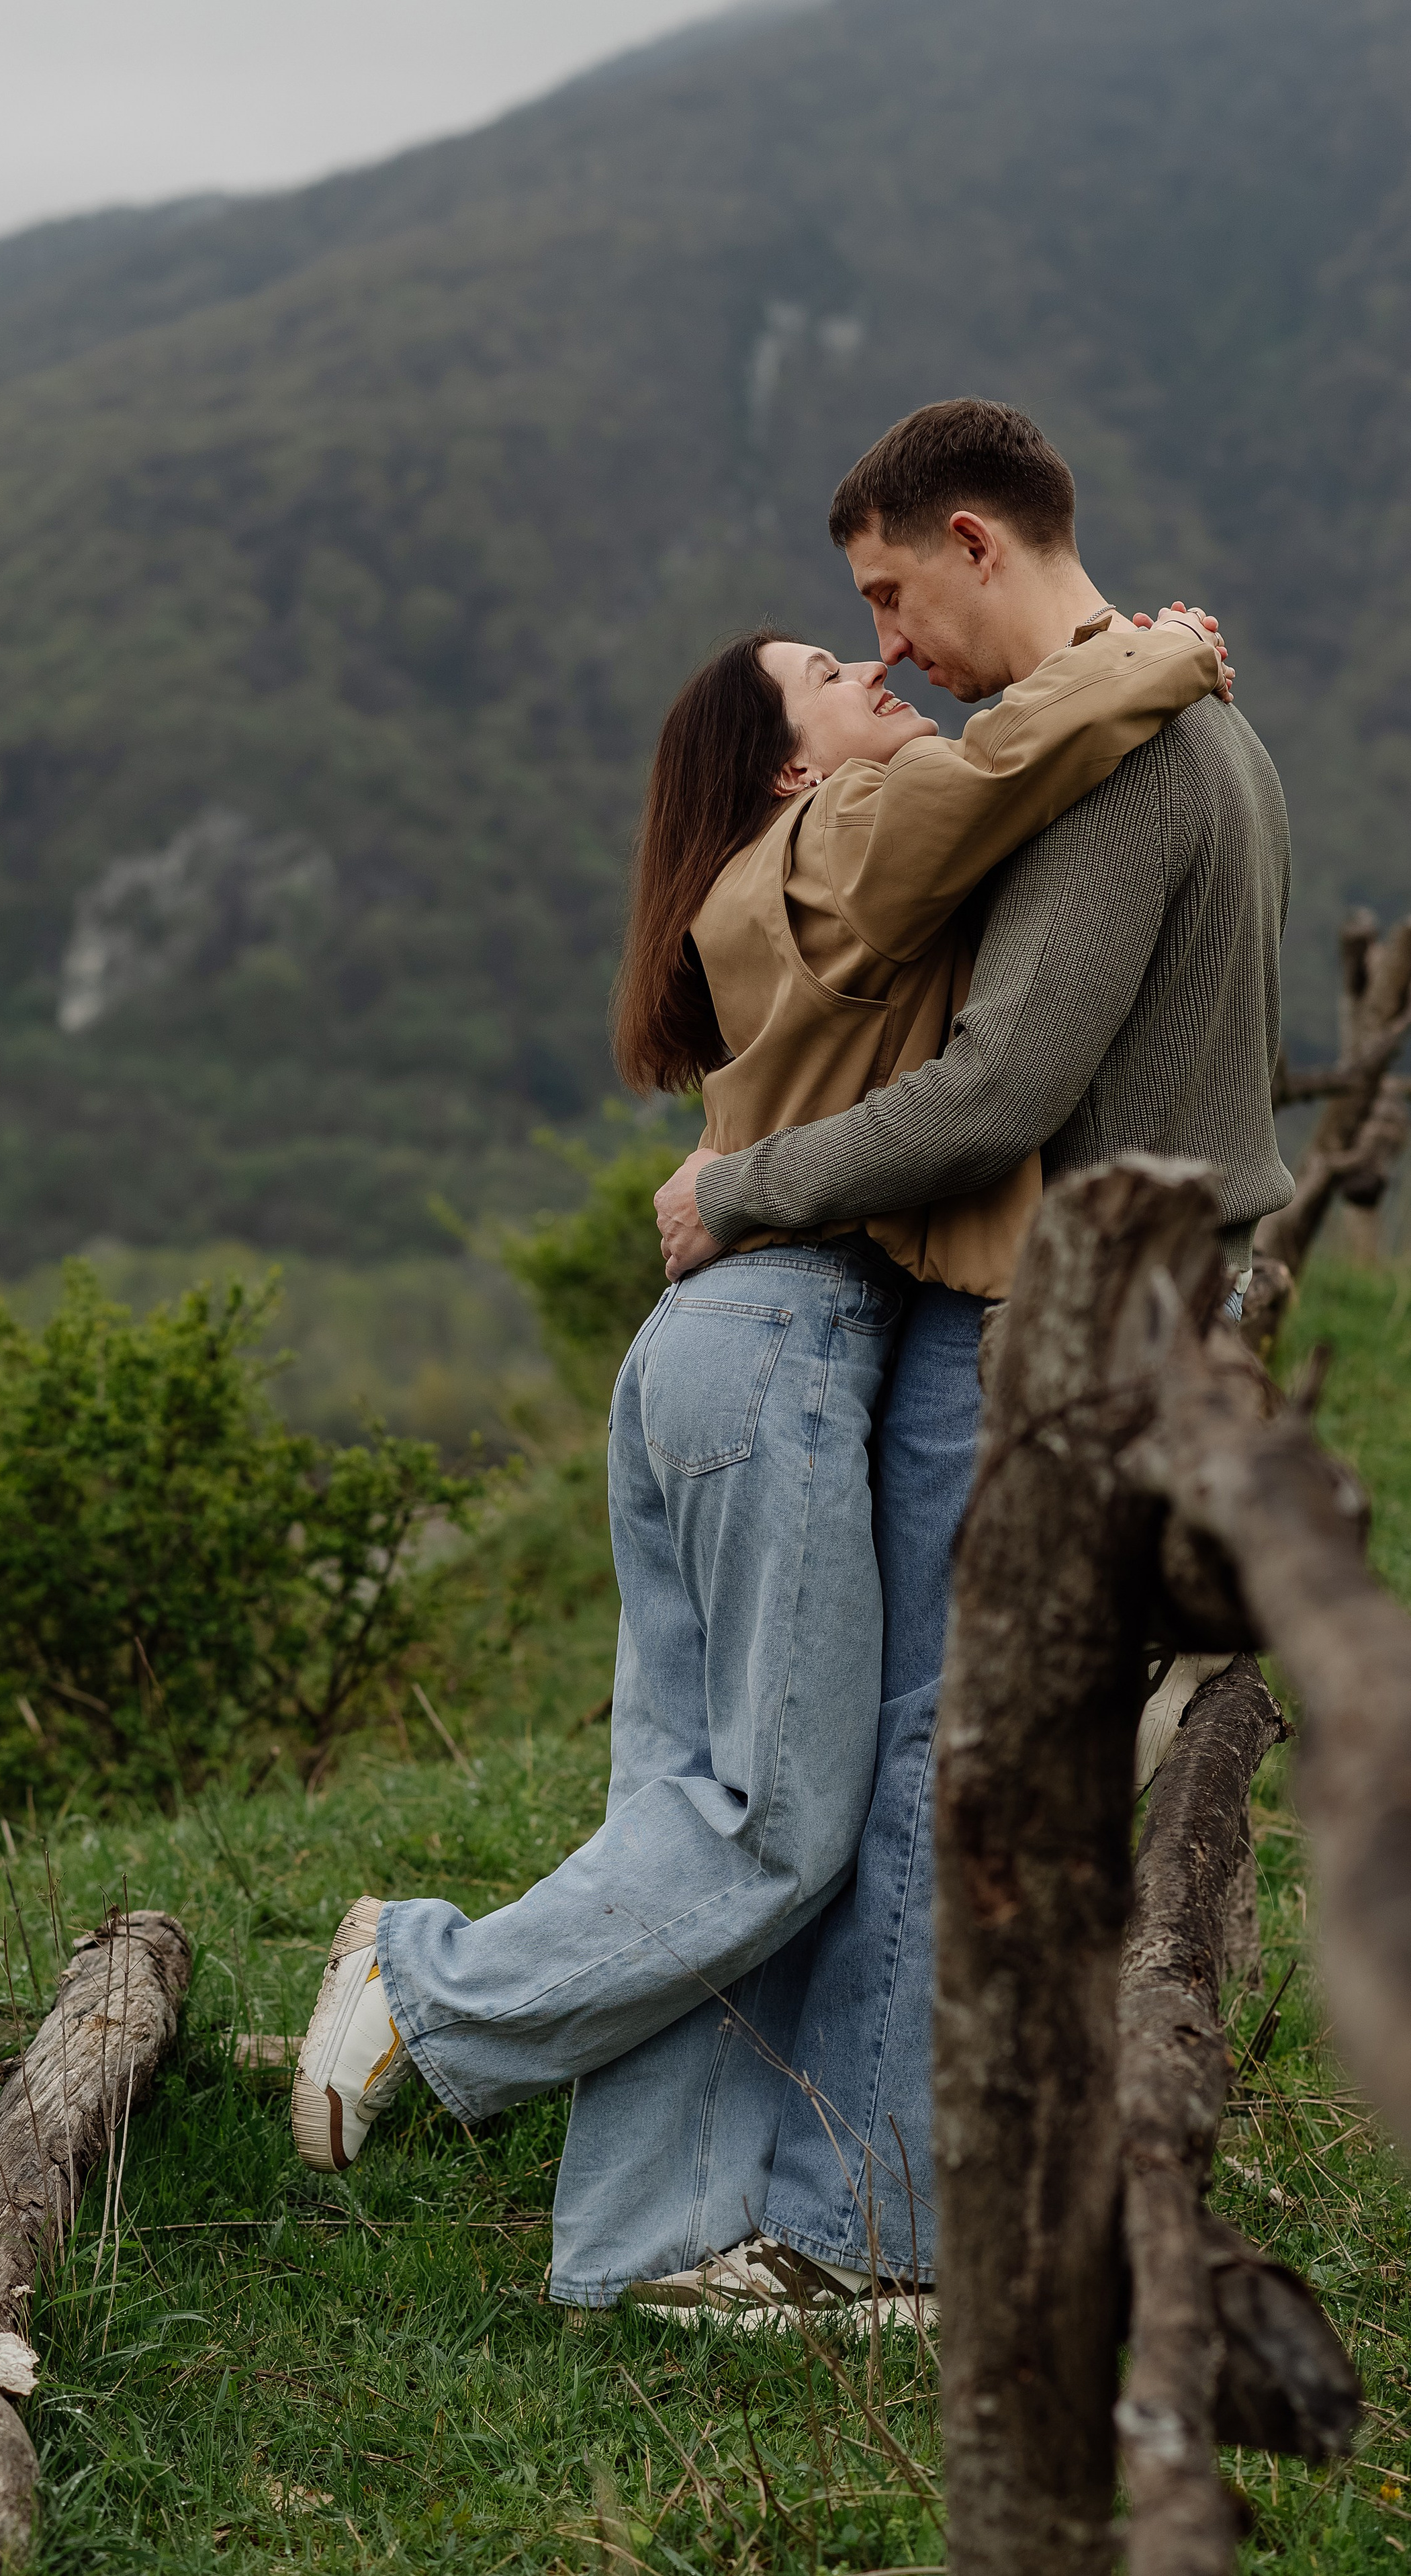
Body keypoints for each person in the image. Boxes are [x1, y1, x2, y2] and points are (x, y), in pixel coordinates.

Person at [288, 478, 1230, 2315]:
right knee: (781, 1823)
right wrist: (1155, 653)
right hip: (782, 1341)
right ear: (788, 764)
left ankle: (638, 2240)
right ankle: (430, 1983)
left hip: (729, 1347)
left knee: (684, 1797)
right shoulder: (844, 834)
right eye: (831, 666)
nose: (879, 668)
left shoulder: (799, 863)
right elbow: (1003, 768)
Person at [637, 396, 1295, 2327]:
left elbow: (998, 1091)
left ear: (976, 543)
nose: (894, 646)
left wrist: (741, 1187)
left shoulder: (1115, 765)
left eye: (890, 595)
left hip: (1050, 1331)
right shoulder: (1207, 722)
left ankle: (879, 2234)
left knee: (932, 1764)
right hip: (1157, 1306)